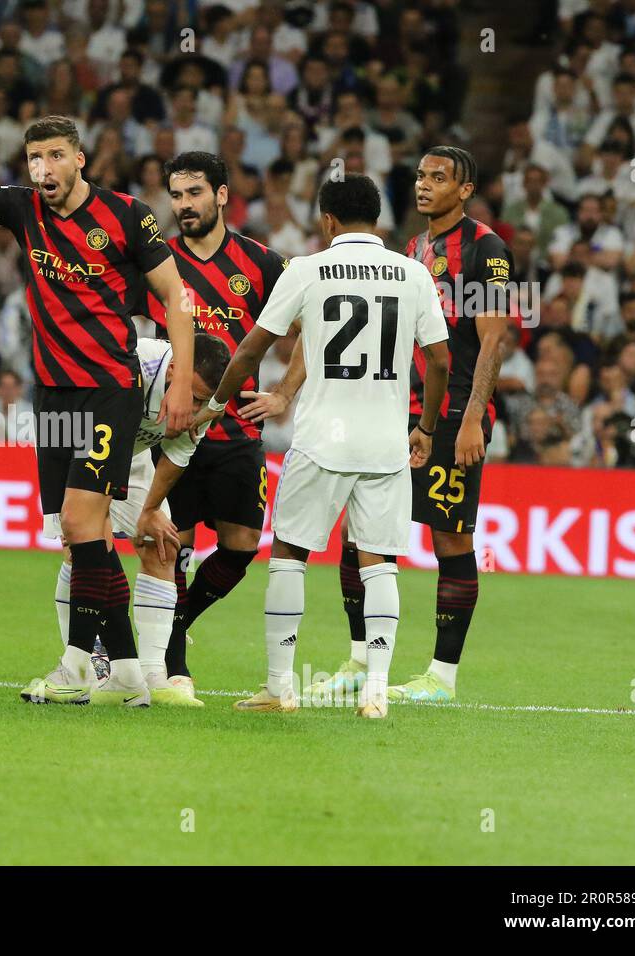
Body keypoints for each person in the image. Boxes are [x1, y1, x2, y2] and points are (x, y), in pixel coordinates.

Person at [0, 44, 196, 707]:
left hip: (109, 388)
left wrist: (182, 382)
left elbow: (177, 299)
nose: (42, 169)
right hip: (54, 394)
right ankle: (119, 673)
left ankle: (105, 671)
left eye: (53, 157)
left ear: (78, 159)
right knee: (82, 535)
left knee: (81, 522)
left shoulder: (128, 215)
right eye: (33, 159)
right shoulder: (22, 209)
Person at [193, 174, 451, 719]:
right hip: (385, 441)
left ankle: (280, 687)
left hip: (320, 442)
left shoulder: (307, 270)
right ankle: (377, 691)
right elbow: (442, 359)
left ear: (327, 220)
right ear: (377, 220)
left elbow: (249, 350)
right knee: (379, 562)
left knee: (290, 554)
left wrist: (215, 405)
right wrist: (425, 428)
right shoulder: (412, 274)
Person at [275, 147, 513, 704]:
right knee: (361, 535)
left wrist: (474, 415)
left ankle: (441, 676)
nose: (425, 185)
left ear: (467, 189)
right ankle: (361, 660)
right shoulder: (412, 250)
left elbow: (494, 335)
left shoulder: (488, 249)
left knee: (450, 534)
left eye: (440, 177)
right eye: (421, 176)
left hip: (453, 412)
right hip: (396, 411)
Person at [141, 151, 291, 702]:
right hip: (172, 429)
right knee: (168, 546)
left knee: (241, 545)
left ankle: (178, 622)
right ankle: (172, 668)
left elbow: (309, 329)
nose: (184, 205)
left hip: (234, 433)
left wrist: (283, 394)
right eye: (176, 195)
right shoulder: (157, 263)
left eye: (194, 194)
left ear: (222, 195)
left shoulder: (261, 264)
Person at [43, 332, 233, 706]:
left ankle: (151, 674)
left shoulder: (208, 405)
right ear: (174, 369)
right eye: (192, 397)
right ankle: (91, 663)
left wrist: (148, 513)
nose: (195, 408)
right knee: (83, 547)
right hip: (77, 440)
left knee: (160, 544)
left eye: (202, 401)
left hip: (132, 455)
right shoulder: (132, 363)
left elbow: (177, 456)